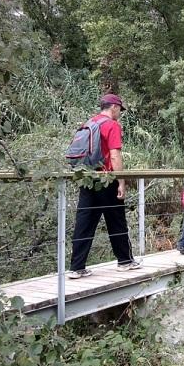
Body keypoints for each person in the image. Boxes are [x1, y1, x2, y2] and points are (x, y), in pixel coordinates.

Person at [68, 94, 141, 279]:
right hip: (106, 178)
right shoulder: (112, 125)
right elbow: (115, 155)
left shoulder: (90, 122)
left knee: (84, 222)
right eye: (119, 110)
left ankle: (77, 267)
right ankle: (125, 261)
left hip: (87, 177)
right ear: (114, 107)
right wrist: (121, 181)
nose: (120, 114)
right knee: (116, 219)